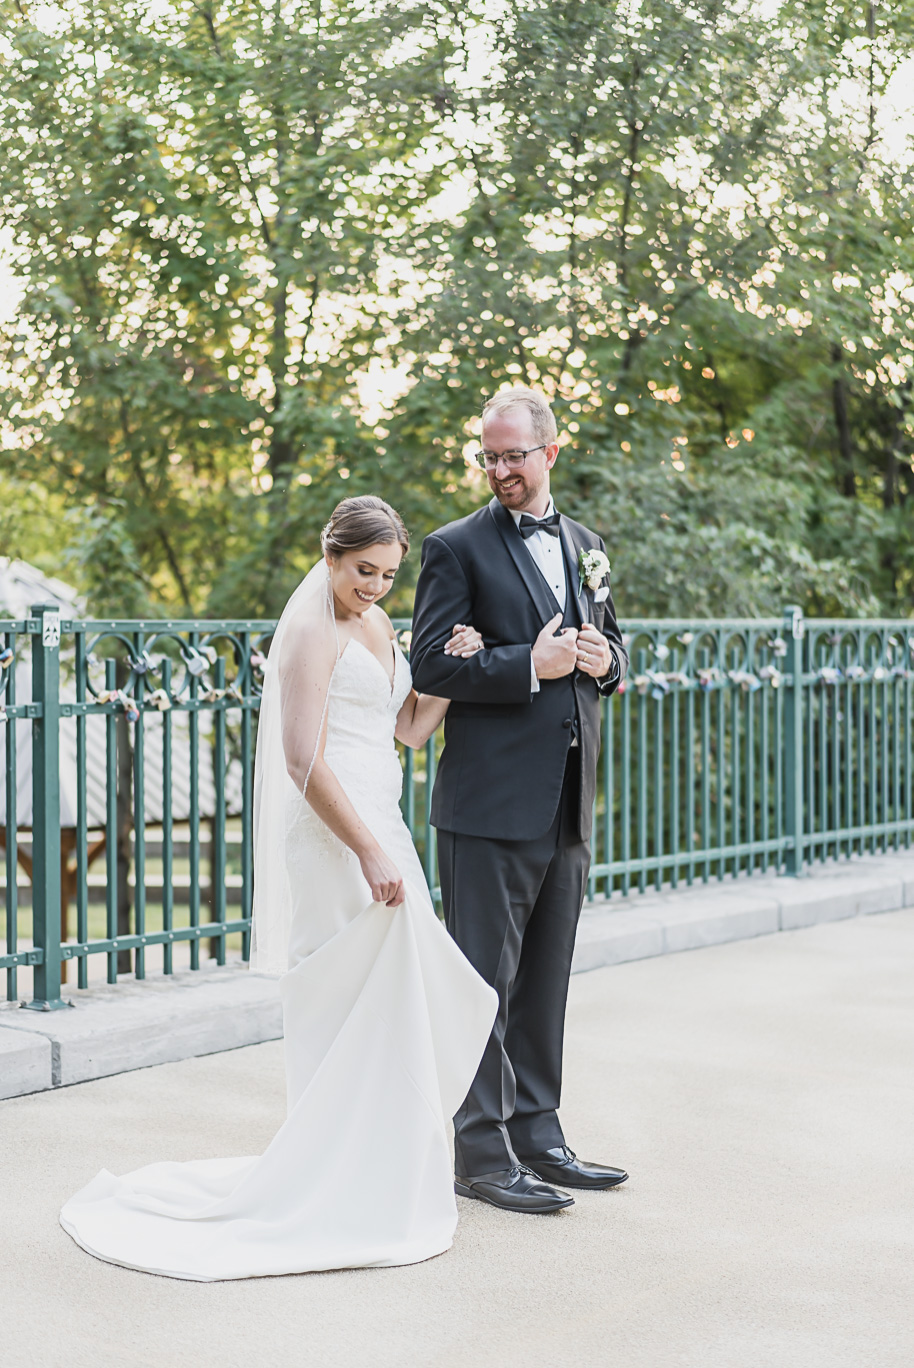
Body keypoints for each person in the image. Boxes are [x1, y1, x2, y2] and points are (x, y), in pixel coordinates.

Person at [59, 496, 498, 1280]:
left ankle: (378, 1169)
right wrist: (366, 850)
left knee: (405, 994)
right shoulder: (307, 630)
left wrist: (453, 671)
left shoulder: (376, 624)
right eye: (364, 571)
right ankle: (329, 1176)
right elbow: (302, 762)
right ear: (330, 556)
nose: (375, 587)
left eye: (389, 576)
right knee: (345, 996)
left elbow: (407, 728)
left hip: (381, 821)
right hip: (337, 840)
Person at [410, 388, 630, 1214]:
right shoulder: (453, 547)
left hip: (567, 803)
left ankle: (540, 1135)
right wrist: (519, 666)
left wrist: (605, 660)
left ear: (551, 452)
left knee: (545, 980)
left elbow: (614, 659)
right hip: (488, 805)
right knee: (482, 987)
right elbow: (430, 663)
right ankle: (480, 1151)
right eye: (488, 457)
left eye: (514, 455)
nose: (500, 470)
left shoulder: (586, 544)